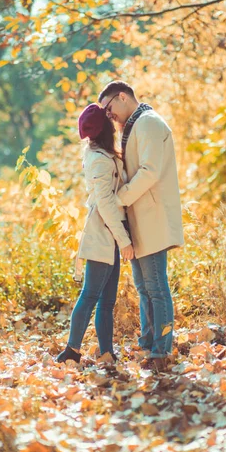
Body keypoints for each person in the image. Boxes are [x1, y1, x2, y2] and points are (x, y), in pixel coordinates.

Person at [98, 81, 184, 371]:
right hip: (139, 219)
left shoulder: (147, 123)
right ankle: (149, 345)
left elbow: (149, 172)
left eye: (109, 108)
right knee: (144, 287)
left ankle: (161, 352)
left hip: (152, 217)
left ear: (123, 97)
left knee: (156, 287)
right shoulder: (134, 125)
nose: (109, 115)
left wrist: (119, 198)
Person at [56, 103, 134, 365]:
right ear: (105, 129)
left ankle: (106, 352)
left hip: (110, 232)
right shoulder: (99, 160)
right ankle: (72, 350)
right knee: (91, 294)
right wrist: (124, 241)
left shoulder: (104, 154)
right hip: (103, 232)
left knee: (107, 300)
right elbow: (106, 204)